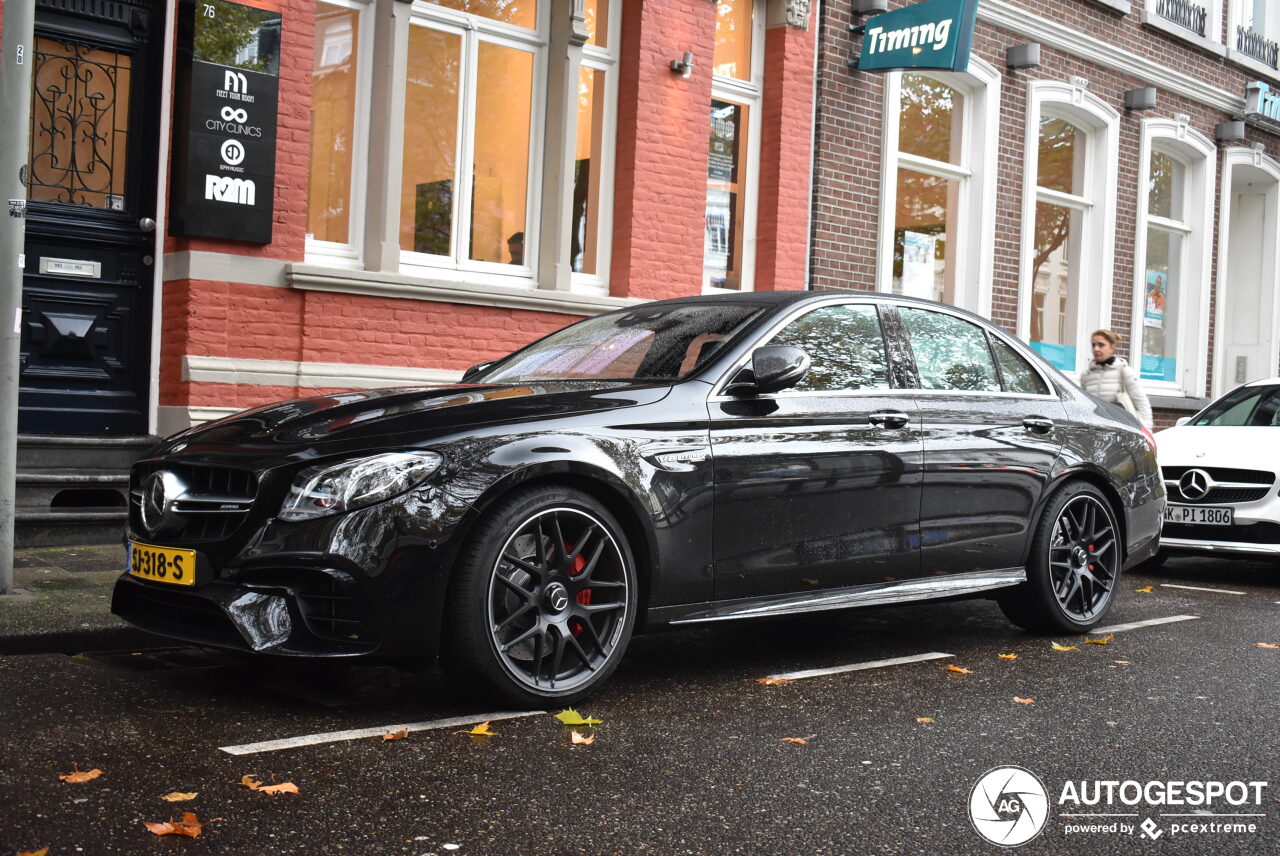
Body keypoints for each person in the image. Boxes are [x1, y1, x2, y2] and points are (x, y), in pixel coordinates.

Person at [1079, 329, 1153, 428]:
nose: (1096, 349)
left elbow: (1142, 404)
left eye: (1101, 345)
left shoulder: (1124, 371)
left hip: (1121, 428)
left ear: (1112, 348)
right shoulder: (1086, 376)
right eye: (1093, 345)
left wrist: (1146, 431)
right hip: (1096, 429)